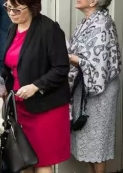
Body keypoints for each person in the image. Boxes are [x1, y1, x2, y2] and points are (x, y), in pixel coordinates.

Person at [0, 0, 71, 172]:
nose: (11, 13)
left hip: (46, 106)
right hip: (20, 106)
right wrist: (1, 84)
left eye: (16, 9)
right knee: (23, 161)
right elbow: (9, 66)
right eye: (8, 8)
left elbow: (61, 68)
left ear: (32, 7)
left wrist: (35, 86)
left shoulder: (49, 29)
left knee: (42, 161)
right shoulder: (12, 29)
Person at [68, 0, 121, 172]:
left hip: (100, 90)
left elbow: (99, 65)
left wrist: (71, 57)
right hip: (83, 85)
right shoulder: (86, 22)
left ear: (93, 1)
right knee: (88, 141)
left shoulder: (103, 23)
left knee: (97, 143)